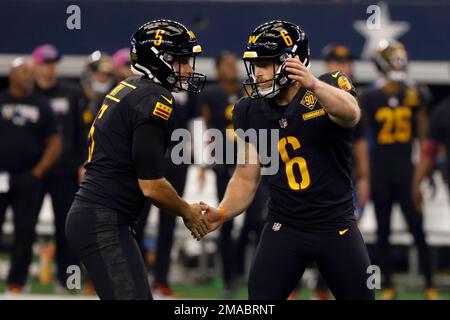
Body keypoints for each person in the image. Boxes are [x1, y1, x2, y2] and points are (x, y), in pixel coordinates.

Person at [201, 20, 374, 300]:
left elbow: (351, 114)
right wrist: (222, 212)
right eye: (255, 65)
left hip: (336, 226)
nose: (257, 74)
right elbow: (246, 176)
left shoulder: (327, 86)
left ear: (291, 63)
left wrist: (314, 84)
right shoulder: (250, 110)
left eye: (265, 65)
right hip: (285, 226)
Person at [65, 19, 209, 300]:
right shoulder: (155, 98)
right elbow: (152, 185)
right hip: (103, 219)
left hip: (100, 215)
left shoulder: (130, 87)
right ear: (158, 61)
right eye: (180, 61)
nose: (189, 69)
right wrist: (187, 212)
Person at [359, 40, 439, 300]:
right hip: (381, 170)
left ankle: (429, 286)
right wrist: (365, 176)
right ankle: (389, 285)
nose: (398, 62)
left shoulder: (415, 93)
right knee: (383, 232)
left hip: (406, 170)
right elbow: (362, 136)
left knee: (418, 229)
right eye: (392, 58)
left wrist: (423, 171)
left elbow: (424, 132)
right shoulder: (370, 97)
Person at [198, 51, 269, 298]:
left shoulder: (247, 91)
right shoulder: (211, 94)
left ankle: (242, 269)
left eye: (233, 64)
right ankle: (229, 277)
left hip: (250, 160)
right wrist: (206, 161)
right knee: (225, 220)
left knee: (255, 221)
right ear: (218, 69)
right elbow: (207, 129)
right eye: (227, 64)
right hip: (225, 160)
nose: (233, 68)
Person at [0, 58, 62, 292]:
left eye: (31, 72)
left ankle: (17, 282)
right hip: (1, 177)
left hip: (28, 177)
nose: (29, 76)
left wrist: (38, 171)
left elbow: (54, 142)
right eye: (24, 72)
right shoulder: (1, 100)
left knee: (25, 230)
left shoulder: (41, 105)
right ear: (12, 74)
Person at [32, 44, 85, 289]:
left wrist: (83, 163)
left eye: (53, 63)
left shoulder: (71, 93)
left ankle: (67, 279)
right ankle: (17, 281)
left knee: (66, 226)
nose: (50, 68)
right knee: (25, 225)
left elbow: (81, 132)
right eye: (45, 63)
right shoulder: (27, 93)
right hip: (32, 170)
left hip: (64, 170)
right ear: (35, 65)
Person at [413, 96, 450, 208]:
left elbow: (429, 153)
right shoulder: (442, 112)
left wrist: (416, 184)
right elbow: (429, 152)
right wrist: (416, 184)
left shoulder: (442, 111)